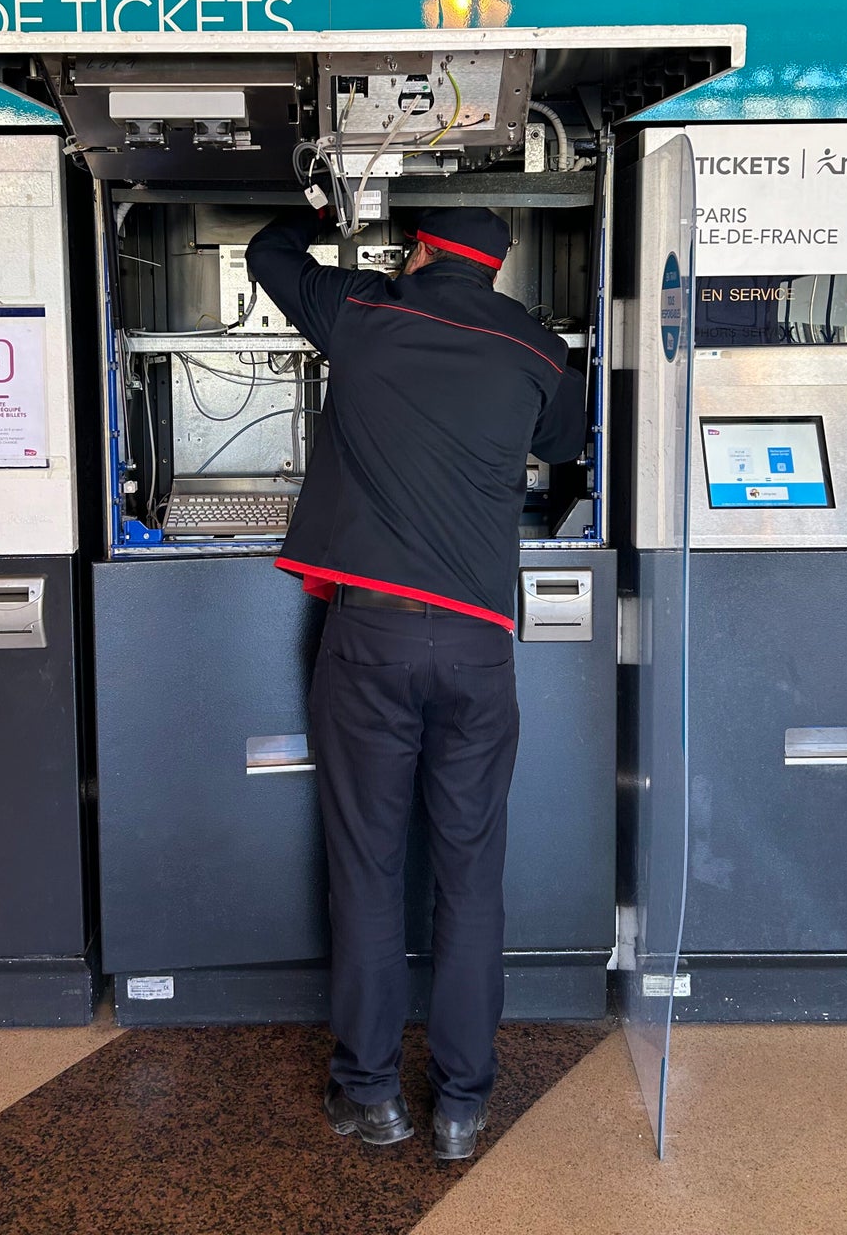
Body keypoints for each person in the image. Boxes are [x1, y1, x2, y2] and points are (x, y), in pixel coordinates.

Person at [246, 205, 585, 1161]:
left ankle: (371, 1097)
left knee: (367, 869)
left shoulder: (360, 308)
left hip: (371, 641)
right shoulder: (537, 345)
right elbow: (562, 446)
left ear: (420, 249)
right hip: (480, 646)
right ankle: (464, 1107)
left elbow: (267, 255)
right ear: (496, 263)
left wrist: (321, 209)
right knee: (471, 877)